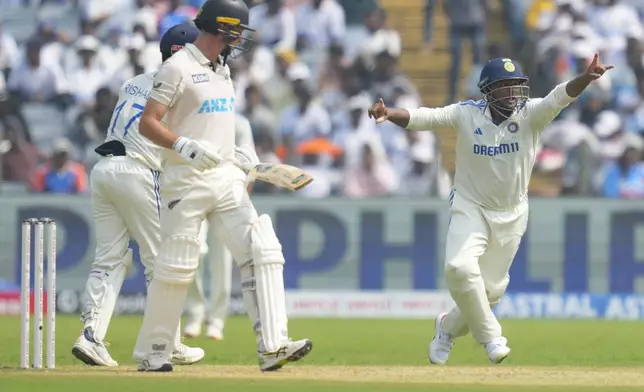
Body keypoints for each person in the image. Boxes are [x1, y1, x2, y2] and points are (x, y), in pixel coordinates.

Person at [368, 54, 613, 364]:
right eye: (505, 87)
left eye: (516, 87)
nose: (513, 94)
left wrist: (585, 78)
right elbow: (425, 117)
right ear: (488, 91)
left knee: (489, 293)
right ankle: (492, 338)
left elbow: (559, 96)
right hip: (471, 207)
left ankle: (445, 329)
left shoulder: (530, 115)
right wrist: (389, 113)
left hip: (512, 214)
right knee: (458, 268)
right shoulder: (466, 114)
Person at [134, 0, 312, 372]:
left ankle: (273, 346)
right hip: (185, 181)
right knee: (177, 267)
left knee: (262, 249)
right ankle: (153, 352)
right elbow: (148, 122)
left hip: (226, 178)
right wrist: (182, 145)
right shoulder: (176, 67)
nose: (240, 39)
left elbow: (216, 123)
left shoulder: (224, 68)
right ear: (221, 28)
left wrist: (246, 161)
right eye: (236, 30)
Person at [71, 22, 206, 367]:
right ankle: (162, 345)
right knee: (161, 261)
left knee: (109, 260)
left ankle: (91, 336)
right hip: (138, 173)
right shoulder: (181, 89)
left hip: (103, 170)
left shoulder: (133, 83)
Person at [183, 114, 255, 340]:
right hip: (197, 190)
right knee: (193, 251)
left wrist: (241, 193)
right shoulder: (197, 115)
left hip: (227, 194)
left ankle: (217, 320)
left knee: (221, 260)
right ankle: (195, 314)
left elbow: (249, 160)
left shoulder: (240, 123)